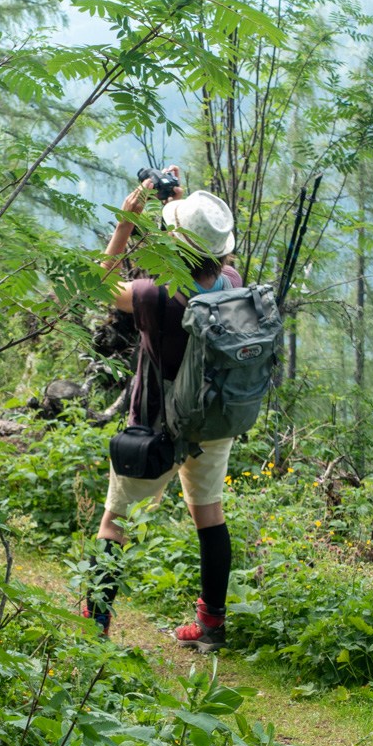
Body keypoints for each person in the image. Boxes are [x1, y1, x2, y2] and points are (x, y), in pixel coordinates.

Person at [82, 168, 242, 652]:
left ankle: (95, 626)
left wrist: (126, 223)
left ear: (178, 242)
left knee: (116, 522)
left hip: (156, 425)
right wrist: (180, 207)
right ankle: (210, 626)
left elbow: (99, 284)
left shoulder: (153, 296)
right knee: (209, 515)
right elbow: (205, 258)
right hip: (211, 419)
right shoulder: (232, 282)